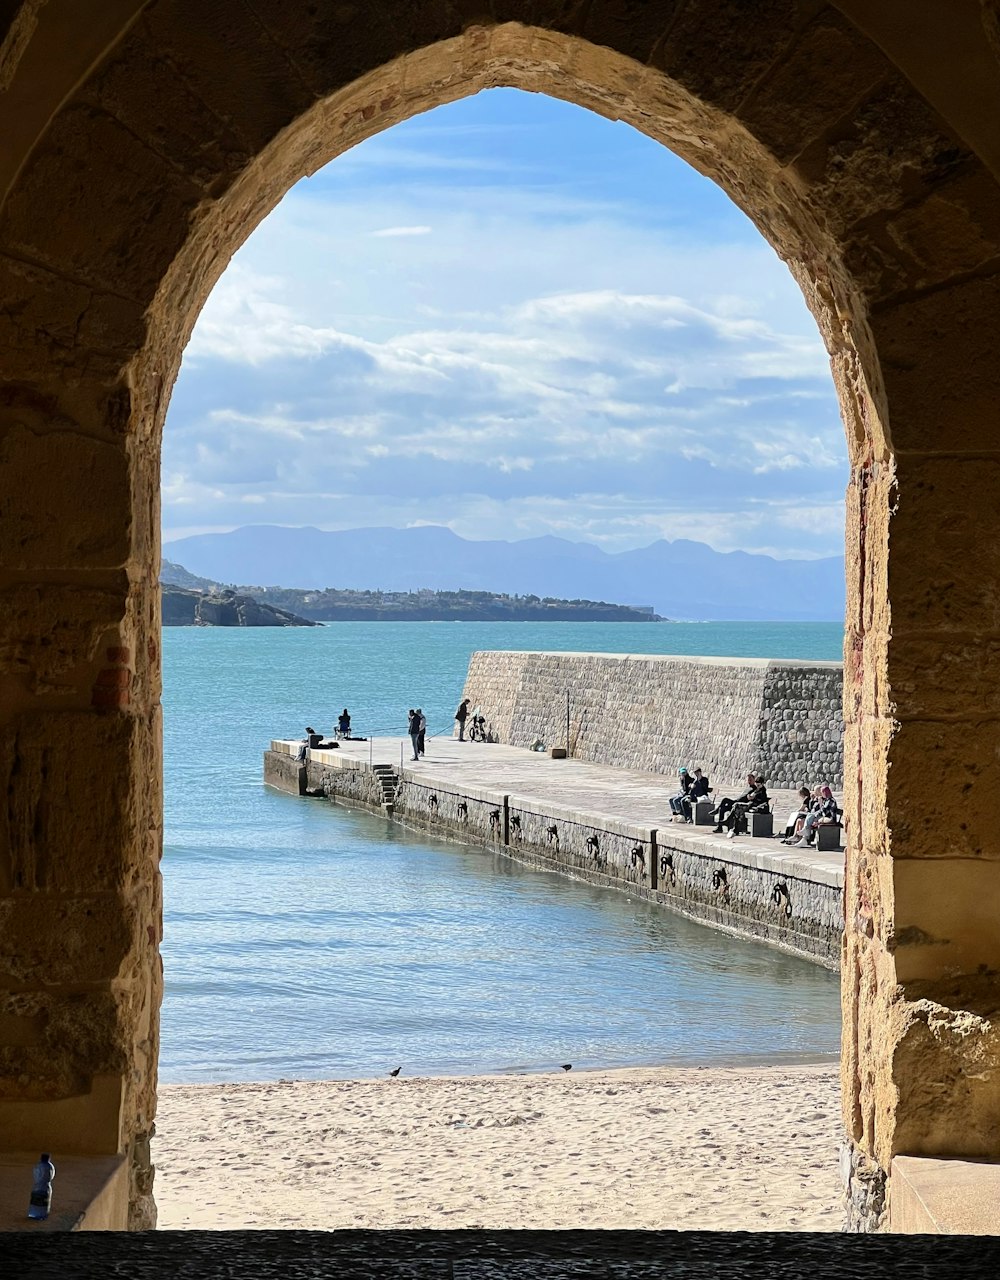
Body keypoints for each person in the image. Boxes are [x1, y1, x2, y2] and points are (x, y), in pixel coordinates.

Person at [712, 773, 768, 837]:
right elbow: (750, 797)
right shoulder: (758, 789)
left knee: (737, 806)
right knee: (735, 807)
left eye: (759, 785)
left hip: (754, 806)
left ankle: (730, 823)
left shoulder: (762, 790)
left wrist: (752, 798)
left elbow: (761, 800)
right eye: (757, 785)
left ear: (762, 784)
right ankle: (732, 825)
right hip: (750, 805)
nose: (757, 786)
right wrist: (750, 797)